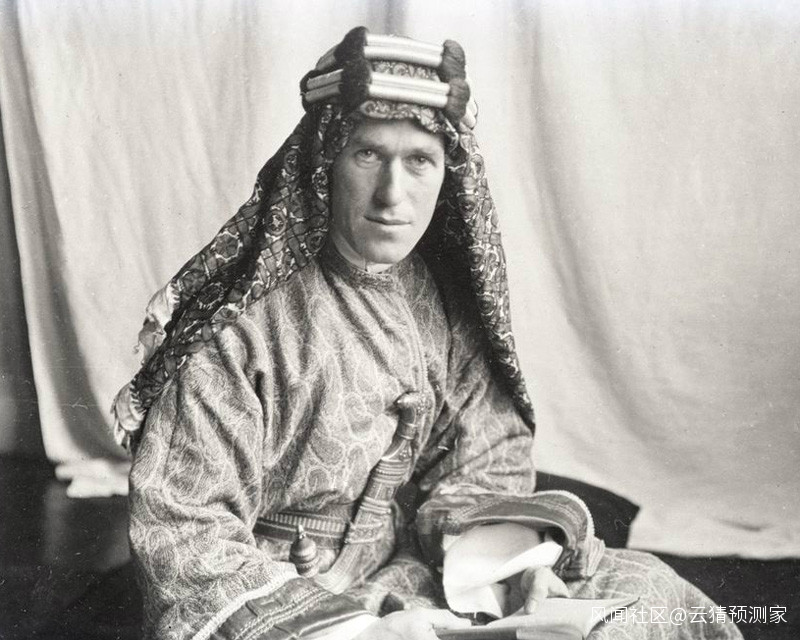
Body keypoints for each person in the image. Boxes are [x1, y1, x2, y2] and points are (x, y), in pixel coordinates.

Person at [115, 28, 743, 640]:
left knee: (647, 596)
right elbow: (185, 528)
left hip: (408, 574)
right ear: (325, 163)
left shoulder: (439, 300)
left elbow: (482, 460)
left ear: (447, 173)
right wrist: (366, 630)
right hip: (286, 607)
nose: (392, 194)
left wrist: (511, 570)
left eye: (419, 160)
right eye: (367, 155)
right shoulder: (240, 324)